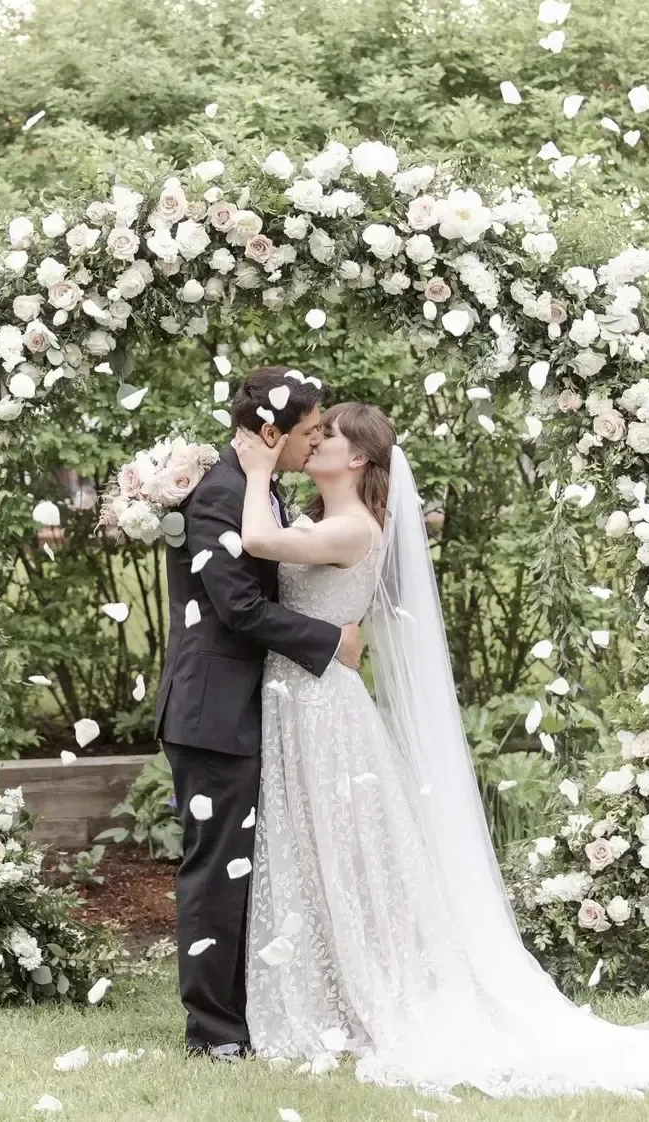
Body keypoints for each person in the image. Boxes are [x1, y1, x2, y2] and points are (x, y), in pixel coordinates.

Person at [230, 400, 649, 1100]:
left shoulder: (352, 528)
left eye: (328, 437)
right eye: (312, 434)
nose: (312, 442)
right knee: (311, 846)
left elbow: (256, 542)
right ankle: (326, 991)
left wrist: (255, 470)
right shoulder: (320, 519)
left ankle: (369, 991)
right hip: (300, 695)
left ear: (357, 459)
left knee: (341, 845)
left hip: (325, 708)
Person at [154, 366, 364, 1061]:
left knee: (246, 869)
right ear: (270, 432)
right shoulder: (219, 496)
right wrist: (330, 641)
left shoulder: (257, 489)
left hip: (248, 710)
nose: (315, 443)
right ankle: (211, 1033)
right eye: (307, 432)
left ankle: (245, 1014)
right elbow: (237, 608)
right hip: (212, 713)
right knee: (215, 870)